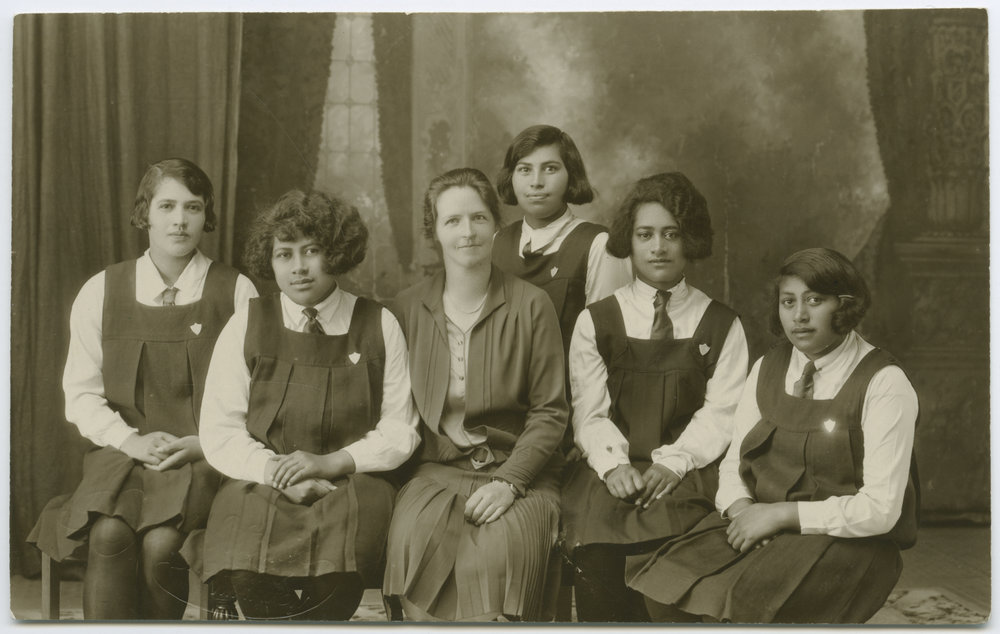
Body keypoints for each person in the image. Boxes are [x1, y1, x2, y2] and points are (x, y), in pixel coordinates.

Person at [626, 247, 919, 624]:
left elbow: (881, 510)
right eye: (788, 301)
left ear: (845, 306)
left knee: (745, 603)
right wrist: (742, 511)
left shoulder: (884, 382)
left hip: (847, 540)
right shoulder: (767, 367)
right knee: (667, 581)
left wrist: (780, 515)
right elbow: (734, 462)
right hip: (760, 520)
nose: (799, 316)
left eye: (815, 300)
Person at [27, 158, 258, 619]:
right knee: (109, 535)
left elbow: (258, 395)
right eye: (167, 206)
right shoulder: (101, 290)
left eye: (193, 207)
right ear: (144, 213)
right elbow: (81, 393)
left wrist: (204, 444)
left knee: (161, 545)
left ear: (206, 215)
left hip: (204, 458)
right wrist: (130, 441)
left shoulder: (237, 291)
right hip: (124, 456)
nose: (180, 220)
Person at [182, 190, 420, 620]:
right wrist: (275, 473)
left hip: (353, 482)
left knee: (338, 573)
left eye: (311, 251)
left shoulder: (379, 323)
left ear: (336, 253)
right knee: (247, 569)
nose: (298, 267)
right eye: (284, 254)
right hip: (262, 479)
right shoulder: (248, 322)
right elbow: (220, 427)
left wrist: (329, 464)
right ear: (270, 261)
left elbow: (399, 428)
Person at [560, 172, 749, 622]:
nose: (658, 248)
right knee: (597, 544)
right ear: (629, 240)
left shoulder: (721, 323)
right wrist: (613, 465)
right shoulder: (597, 321)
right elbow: (589, 411)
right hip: (611, 467)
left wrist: (674, 462)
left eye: (671, 234)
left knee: (677, 551)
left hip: (687, 470)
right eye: (645, 235)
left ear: (690, 240)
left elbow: (722, 413)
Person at [383, 167, 568, 621]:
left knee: (501, 566)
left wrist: (511, 482)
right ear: (435, 231)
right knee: (416, 550)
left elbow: (550, 412)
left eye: (479, 218)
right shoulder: (405, 309)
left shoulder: (531, 304)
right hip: (436, 472)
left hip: (520, 473)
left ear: (496, 225)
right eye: (453, 221)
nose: (467, 232)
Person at [493, 124, 631, 453]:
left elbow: (610, 352)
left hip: (570, 416)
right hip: (502, 416)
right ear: (512, 177)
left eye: (550, 169)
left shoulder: (598, 244)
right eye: (524, 170)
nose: (536, 182)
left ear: (571, 176)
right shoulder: (498, 242)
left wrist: (589, 432)